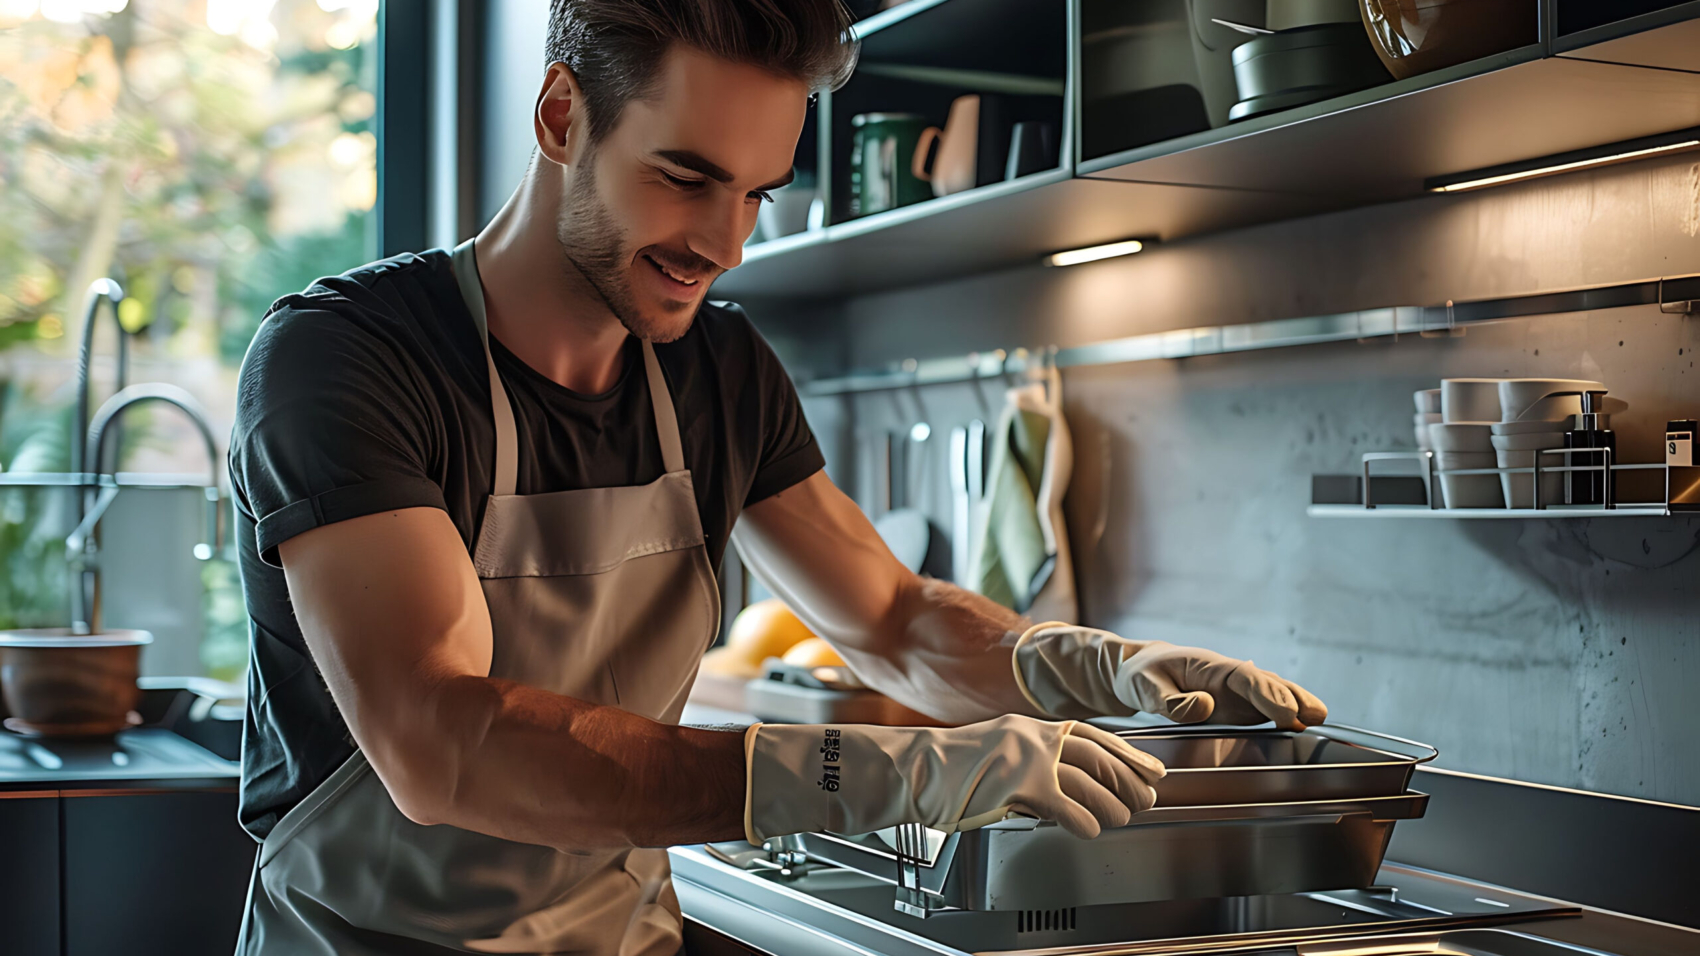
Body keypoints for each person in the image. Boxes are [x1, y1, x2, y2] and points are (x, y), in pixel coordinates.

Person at [228, 1, 1328, 953]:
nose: (723, 243)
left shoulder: (718, 367)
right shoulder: (346, 358)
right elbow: (439, 738)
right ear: (563, 116)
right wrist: (880, 772)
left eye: (755, 193)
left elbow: (892, 620)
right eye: (685, 177)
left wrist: (1085, 667)